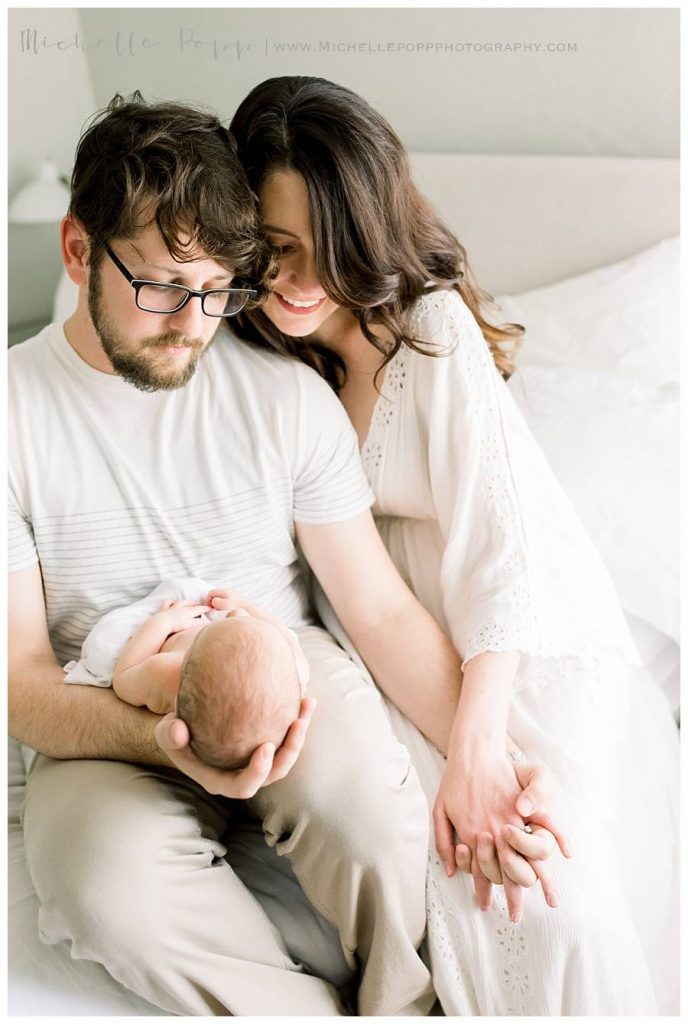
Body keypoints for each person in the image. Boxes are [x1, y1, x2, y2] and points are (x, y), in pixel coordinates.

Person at [7, 93, 563, 1017]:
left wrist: (492, 763)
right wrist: (163, 736)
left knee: (375, 826)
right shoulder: (12, 415)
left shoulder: (281, 397)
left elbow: (379, 611)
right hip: (100, 705)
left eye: (217, 289)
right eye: (160, 287)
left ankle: (409, 1003)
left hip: (282, 666)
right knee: (100, 892)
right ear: (76, 250)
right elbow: (21, 679)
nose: (193, 323)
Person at [228, 75, 681, 1015]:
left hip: (518, 650)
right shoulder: (273, 366)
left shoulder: (430, 331)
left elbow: (500, 560)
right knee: (477, 892)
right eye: (274, 251)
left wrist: (480, 750)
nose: (299, 281)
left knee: (555, 903)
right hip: (405, 664)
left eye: (326, 250)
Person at [63, 579, 308, 770]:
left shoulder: (169, 672)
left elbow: (123, 677)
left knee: (105, 645)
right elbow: (284, 634)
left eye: (238, 618)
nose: (238, 616)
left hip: (171, 626)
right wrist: (243, 604)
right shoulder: (294, 666)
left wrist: (163, 623)